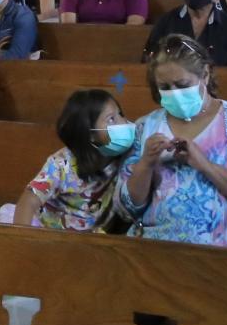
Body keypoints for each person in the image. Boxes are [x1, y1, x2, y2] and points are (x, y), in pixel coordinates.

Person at [118, 35, 227, 248]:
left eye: (182, 84)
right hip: (161, 246)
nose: (174, 93)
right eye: (165, 87)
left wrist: (205, 165)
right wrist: (146, 164)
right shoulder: (146, 126)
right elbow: (126, 209)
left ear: (205, 74)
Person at [12, 88, 135, 231]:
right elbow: (29, 201)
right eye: (111, 119)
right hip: (51, 234)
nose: (123, 122)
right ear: (90, 134)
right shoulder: (62, 164)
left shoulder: (127, 157)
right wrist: (23, 237)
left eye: (120, 114)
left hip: (94, 240)